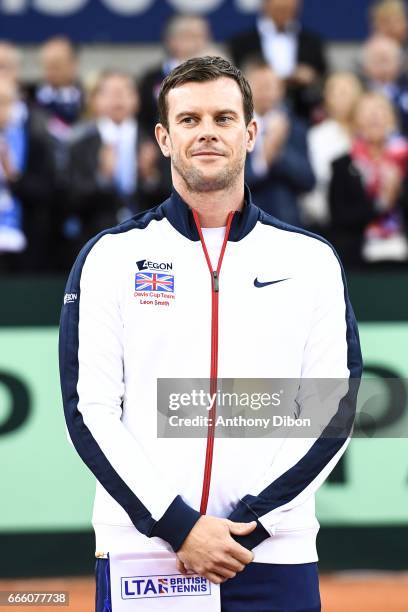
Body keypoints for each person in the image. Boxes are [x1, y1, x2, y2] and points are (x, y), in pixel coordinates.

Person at [59, 56, 362, 612]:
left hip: (272, 556)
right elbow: (90, 409)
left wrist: (251, 524)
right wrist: (180, 528)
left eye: (223, 118)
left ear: (250, 132)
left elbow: (332, 406)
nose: (206, 132)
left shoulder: (311, 260)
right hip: (146, 557)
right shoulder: (111, 257)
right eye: (189, 119)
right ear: (164, 137)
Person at [60, 70, 170, 271]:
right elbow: (68, 201)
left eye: (125, 91)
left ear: (136, 99)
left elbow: (172, 195)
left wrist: (150, 177)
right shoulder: (79, 145)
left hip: (149, 246)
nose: (118, 98)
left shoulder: (157, 140)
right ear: (93, 101)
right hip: (94, 243)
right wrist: (102, 177)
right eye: (109, 92)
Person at [329, 92, 408, 268]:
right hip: (359, 259)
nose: (374, 116)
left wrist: (398, 191)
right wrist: (380, 203)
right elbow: (340, 218)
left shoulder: (404, 161)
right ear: (355, 123)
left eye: (380, 110)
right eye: (367, 111)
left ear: (392, 120)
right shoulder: (342, 165)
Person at [229, 0, 327, 121]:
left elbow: (324, 78)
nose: (284, 14)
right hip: (254, 114)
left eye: (288, 10)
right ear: (265, 6)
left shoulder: (312, 42)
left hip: (302, 113)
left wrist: (312, 77)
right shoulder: (242, 43)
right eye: (279, 9)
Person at [245, 59, 315, 225]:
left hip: (286, 221)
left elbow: (308, 181)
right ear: (245, 89)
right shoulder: (233, 126)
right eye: (260, 85)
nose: (265, 92)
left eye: (270, 86)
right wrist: (264, 158)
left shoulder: (295, 127)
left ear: (281, 90)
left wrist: (278, 151)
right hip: (243, 221)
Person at [0, 77, 56, 274]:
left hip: (24, 247)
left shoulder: (34, 142)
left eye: (4, 101)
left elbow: (46, 193)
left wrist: (14, 177)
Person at [300, 72, 363, 230]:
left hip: (368, 216)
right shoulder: (317, 135)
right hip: (331, 219)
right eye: (338, 92)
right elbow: (316, 180)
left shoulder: (369, 132)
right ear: (327, 98)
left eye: (348, 92)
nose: (344, 98)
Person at [139, 14, 212, 135]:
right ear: (172, 41)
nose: (197, 43)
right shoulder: (151, 79)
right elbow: (141, 121)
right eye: (190, 36)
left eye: (202, 36)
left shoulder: (220, 78)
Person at [360, 34, 408, 137]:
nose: (382, 66)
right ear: (365, 65)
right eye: (376, 60)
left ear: (399, 63)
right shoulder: (358, 93)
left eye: (386, 60)